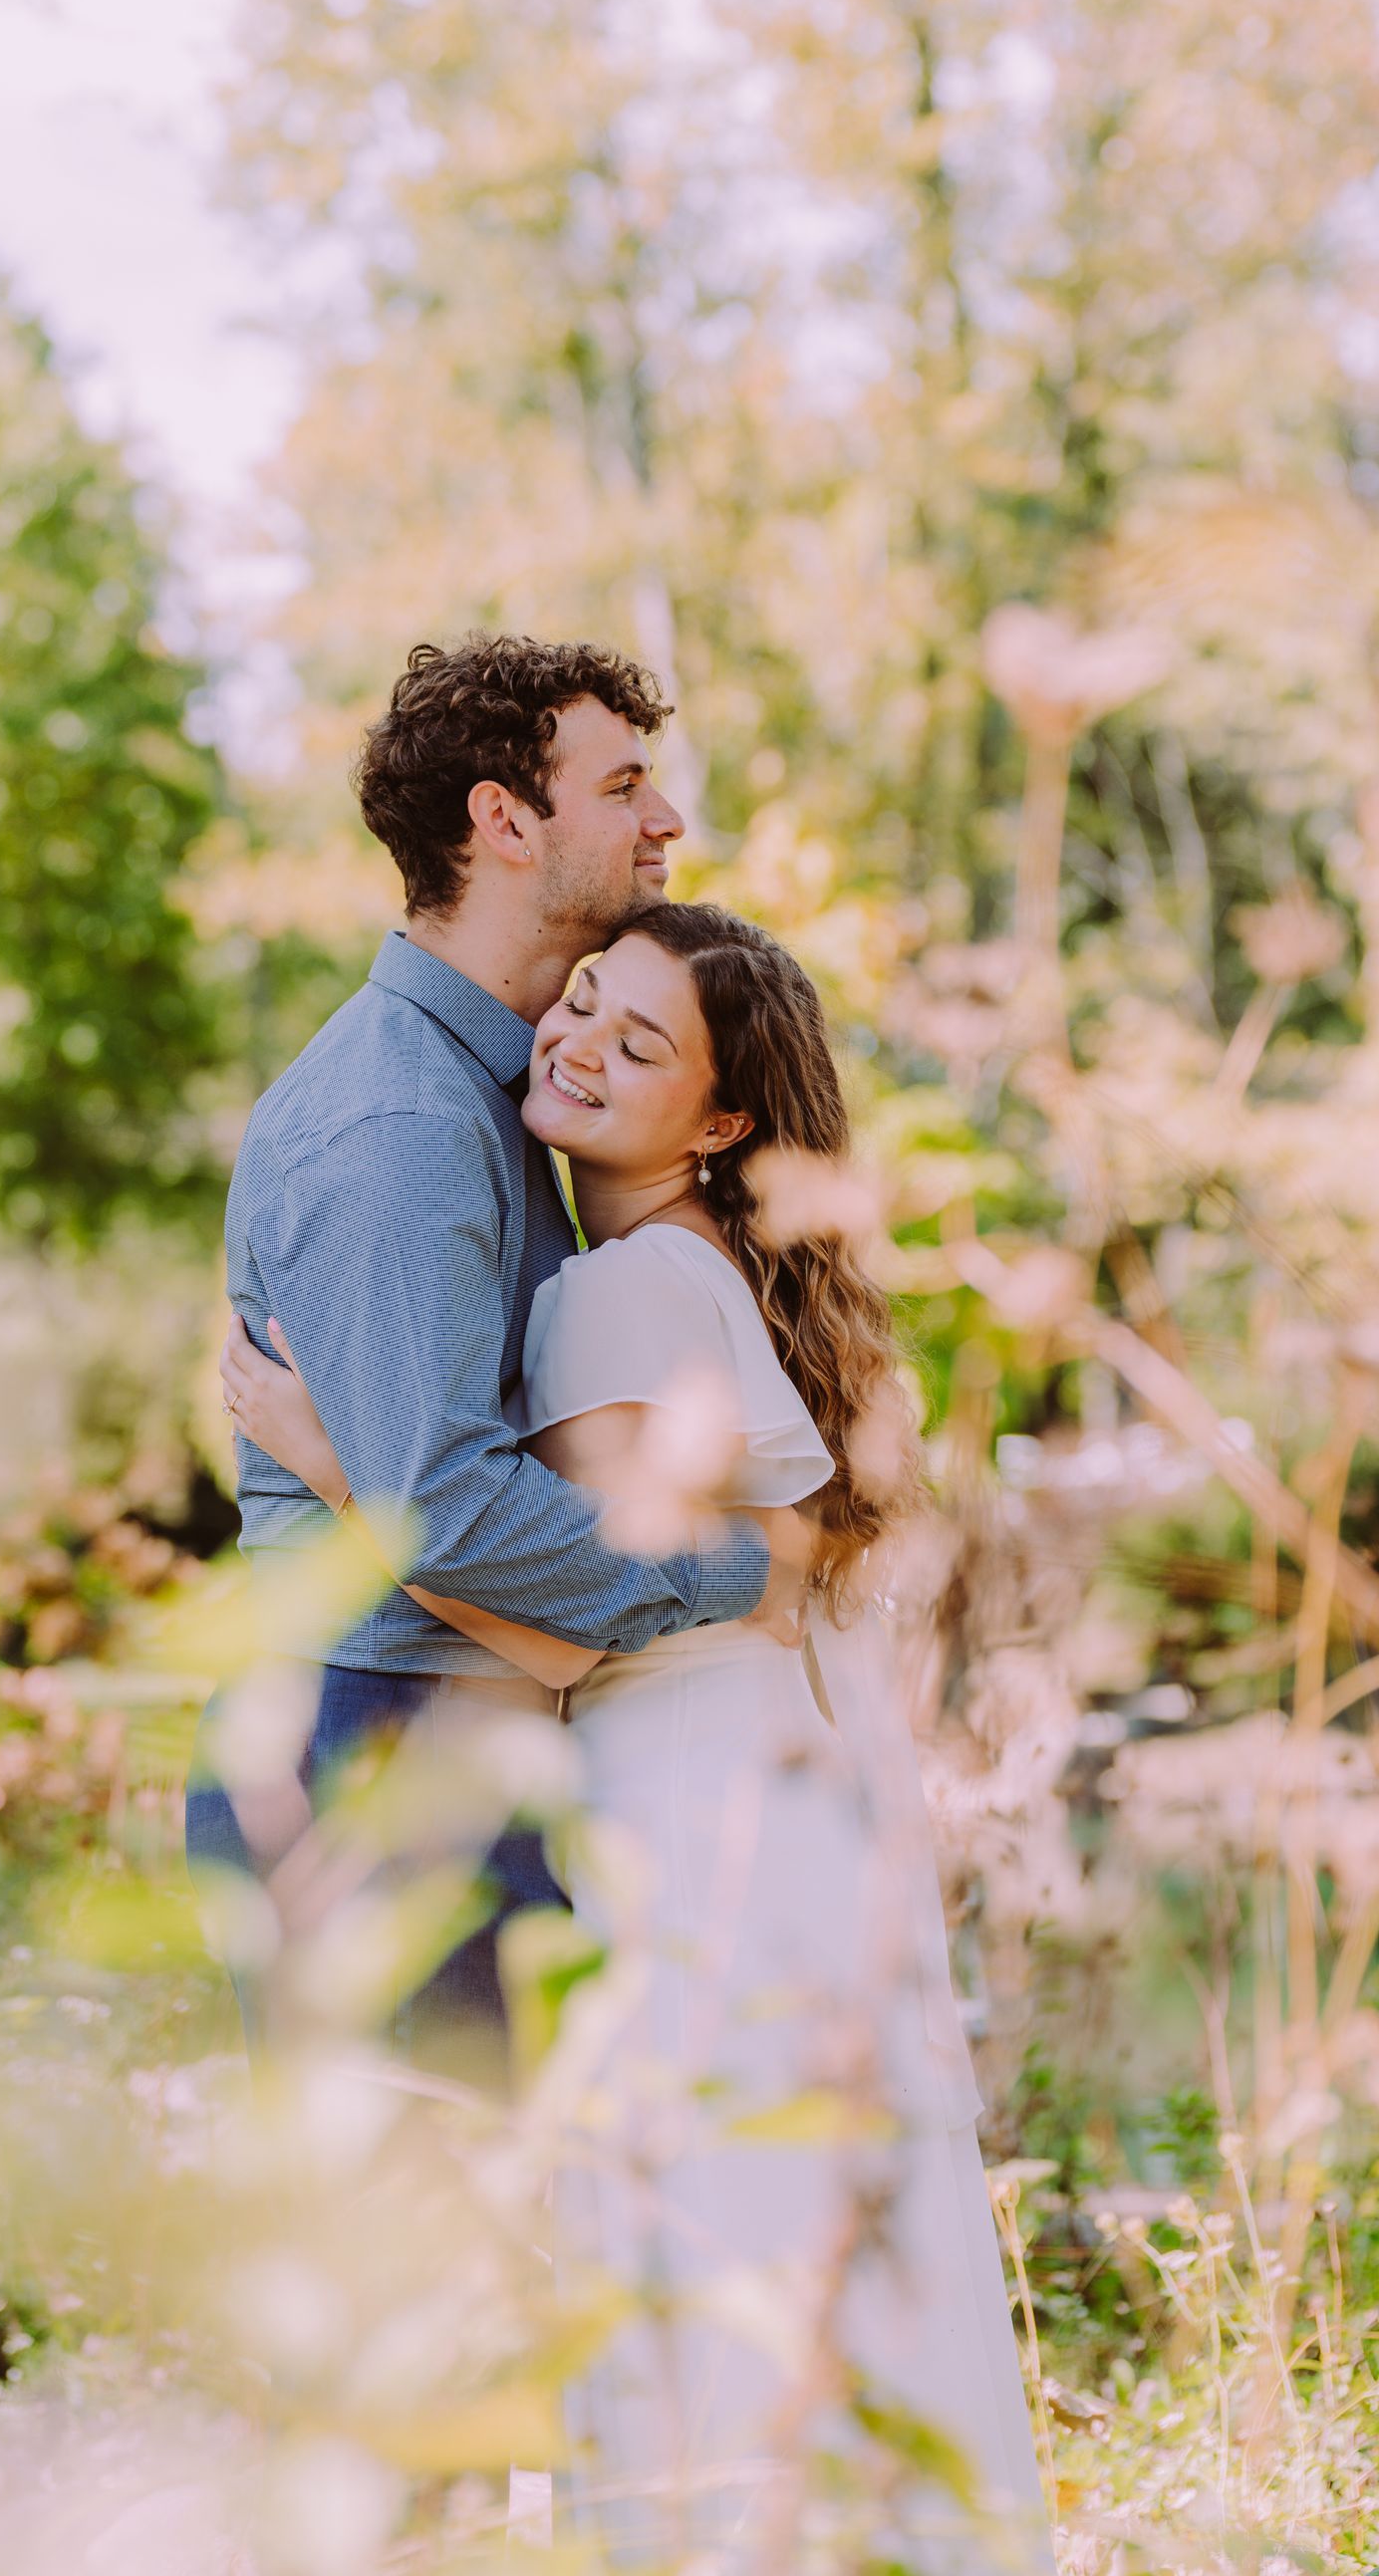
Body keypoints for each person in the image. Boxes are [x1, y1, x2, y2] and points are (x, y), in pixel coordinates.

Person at [222, 902, 1054, 2566]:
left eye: (641, 1043)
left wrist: (341, 1474)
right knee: (792, 2240)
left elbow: (560, 1620)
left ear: (724, 1119)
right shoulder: (702, 1275)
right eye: (585, 1002)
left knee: (695, 2245)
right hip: (767, 1803)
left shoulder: (611, 1302)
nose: (581, 1042)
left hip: (689, 1819)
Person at [188, 635, 799, 2051]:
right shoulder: (401, 1123)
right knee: (450, 2239)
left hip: (447, 1733)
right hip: (378, 1753)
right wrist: (745, 1569)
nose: (665, 823)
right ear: (506, 821)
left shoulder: (507, 1090)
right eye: (626, 785)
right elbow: (448, 1505)